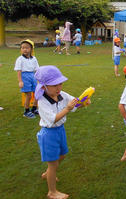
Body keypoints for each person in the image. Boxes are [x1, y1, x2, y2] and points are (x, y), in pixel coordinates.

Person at [35, 65, 91, 199]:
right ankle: (52, 192)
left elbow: (74, 103)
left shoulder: (61, 95)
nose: (59, 88)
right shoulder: (42, 101)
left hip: (60, 131)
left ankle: (48, 173)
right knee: (53, 163)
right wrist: (67, 109)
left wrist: (83, 102)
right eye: (55, 85)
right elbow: (53, 119)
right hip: (49, 134)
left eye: (60, 84)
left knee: (62, 155)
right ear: (44, 87)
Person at [14, 39, 39, 118]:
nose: (24, 49)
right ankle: (26, 111)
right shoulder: (20, 59)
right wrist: (20, 81)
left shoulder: (34, 58)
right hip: (25, 77)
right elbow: (19, 71)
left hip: (33, 76)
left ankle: (34, 109)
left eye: (27, 48)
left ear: (31, 49)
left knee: (37, 93)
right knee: (28, 95)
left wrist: (38, 79)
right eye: (22, 48)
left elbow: (36, 70)